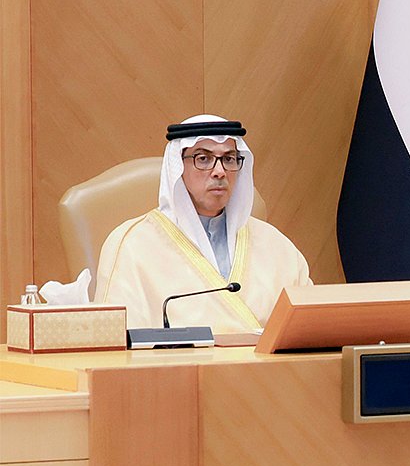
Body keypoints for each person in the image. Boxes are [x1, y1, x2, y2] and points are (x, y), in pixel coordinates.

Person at [95, 114, 312, 330]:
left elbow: (310, 327)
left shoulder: (277, 246)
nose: (219, 172)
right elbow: (114, 338)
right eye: (203, 159)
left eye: (229, 159)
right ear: (178, 167)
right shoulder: (132, 246)